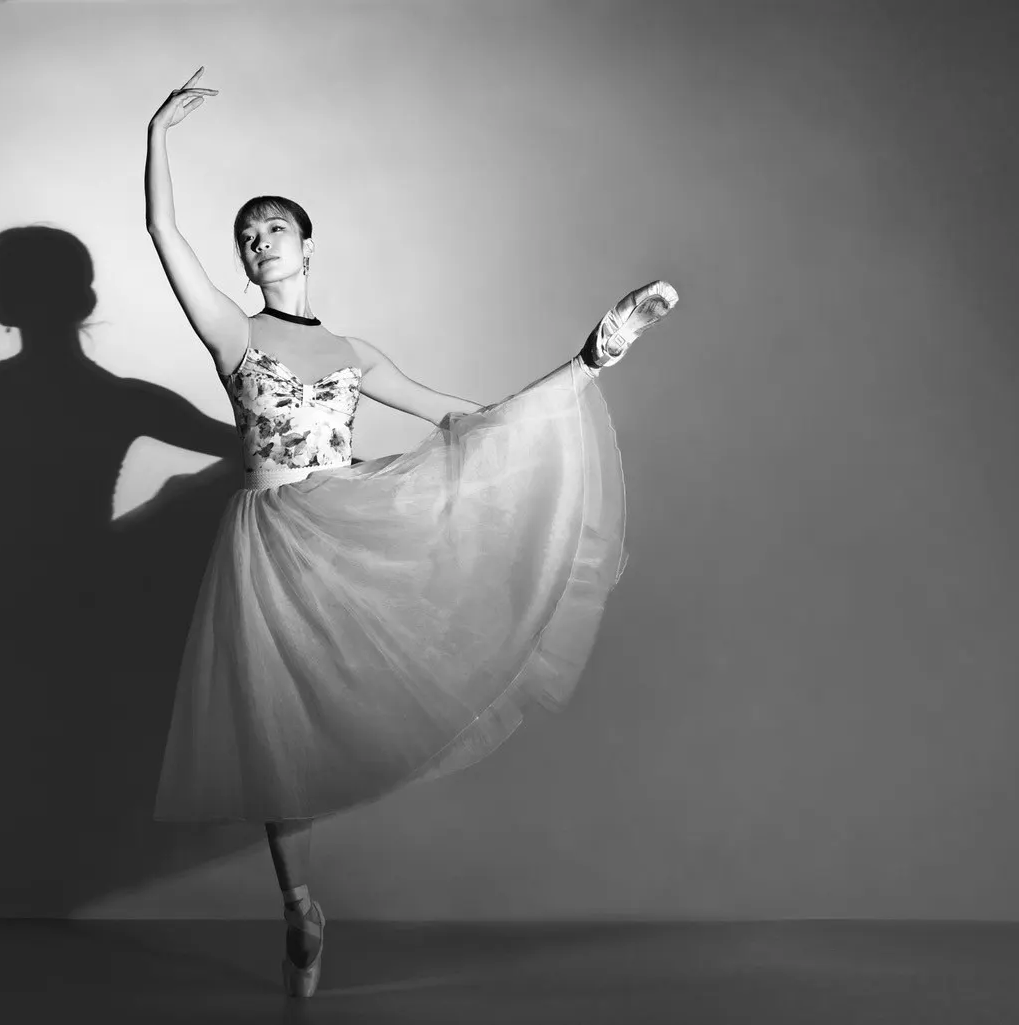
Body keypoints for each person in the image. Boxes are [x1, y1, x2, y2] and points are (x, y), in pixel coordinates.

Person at [144, 68, 676, 998]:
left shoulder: (355, 354)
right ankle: (299, 906)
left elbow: (463, 419)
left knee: (386, 666)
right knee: (275, 735)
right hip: (270, 542)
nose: (258, 239)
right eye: (246, 234)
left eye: (273, 227)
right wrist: (156, 134)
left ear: (307, 244)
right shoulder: (232, 333)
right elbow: (163, 232)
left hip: (348, 524)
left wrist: (576, 373)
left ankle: (595, 355)